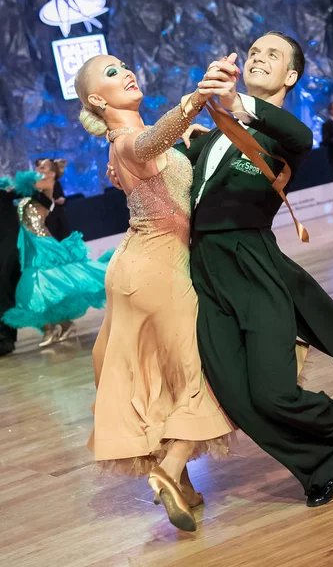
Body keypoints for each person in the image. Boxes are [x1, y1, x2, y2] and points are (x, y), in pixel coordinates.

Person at [109, 32, 333, 508]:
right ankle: (320, 465)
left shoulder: (283, 135)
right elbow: (160, 168)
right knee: (238, 398)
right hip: (205, 273)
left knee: (273, 392)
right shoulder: (214, 133)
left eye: (272, 55)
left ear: (291, 76)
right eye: (255, 51)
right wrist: (123, 167)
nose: (260, 56)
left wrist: (236, 101)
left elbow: (300, 136)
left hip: (253, 266)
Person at [74, 54, 235, 533]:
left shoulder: (129, 145)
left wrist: (190, 135)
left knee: (162, 376)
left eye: (124, 64)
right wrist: (197, 99)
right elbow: (149, 142)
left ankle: (182, 487)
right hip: (157, 270)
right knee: (196, 368)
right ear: (97, 101)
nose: (125, 70)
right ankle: (167, 469)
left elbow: (161, 148)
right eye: (110, 72)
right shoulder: (126, 141)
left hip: (137, 267)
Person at [2, 162, 110, 348]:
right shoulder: (32, 191)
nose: (39, 171)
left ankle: (53, 328)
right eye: (39, 169)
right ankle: (61, 325)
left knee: (44, 283)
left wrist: (10, 188)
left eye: (43, 169)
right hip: (28, 243)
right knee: (35, 286)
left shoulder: (47, 186)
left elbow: (25, 187)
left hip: (42, 242)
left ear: (52, 174)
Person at [0, 179, 53, 355]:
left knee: (11, 288)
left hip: (9, 247)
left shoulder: (4, 190)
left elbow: (40, 196)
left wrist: (46, 200)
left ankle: (6, 338)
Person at [35, 158, 71, 241]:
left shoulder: (54, 182)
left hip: (58, 215)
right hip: (46, 219)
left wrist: (61, 200)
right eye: (41, 166)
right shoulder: (37, 185)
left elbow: (61, 197)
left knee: (65, 239)